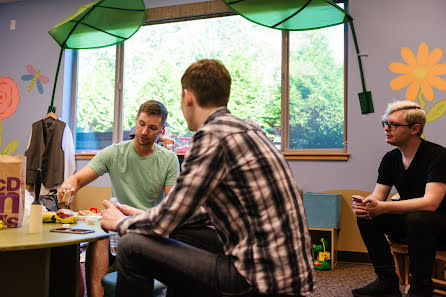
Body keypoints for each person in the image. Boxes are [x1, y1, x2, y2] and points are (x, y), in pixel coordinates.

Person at [100, 59, 315, 297]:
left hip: (257, 280)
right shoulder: (250, 130)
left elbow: (166, 220)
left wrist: (119, 223)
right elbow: (197, 213)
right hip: (294, 277)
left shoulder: (211, 136)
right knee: (182, 234)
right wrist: (142, 215)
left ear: (187, 96)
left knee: (131, 247)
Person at [58, 100, 179, 297]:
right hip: (116, 227)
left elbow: (171, 206)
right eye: (141, 124)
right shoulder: (115, 153)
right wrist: (68, 185)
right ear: (136, 120)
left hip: (146, 226)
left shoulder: (168, 159)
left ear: (161, 130)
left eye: (152, 128)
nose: (144, 132)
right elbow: (79, 178)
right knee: (100, 234)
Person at [351, 100, 446, 297]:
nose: (386, 128)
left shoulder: (438, 156)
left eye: (393, 124)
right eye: (385, 123)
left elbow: (431, 203)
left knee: (417, 218)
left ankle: (421, 288)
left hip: (439, 225)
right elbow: (378, 195)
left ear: (414, 129)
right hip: (413, 223)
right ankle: (387, 281)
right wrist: (366, 205)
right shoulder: (390, 159)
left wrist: (383, 207)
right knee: (367, 217)